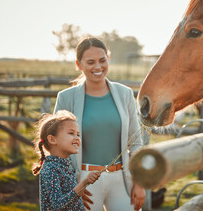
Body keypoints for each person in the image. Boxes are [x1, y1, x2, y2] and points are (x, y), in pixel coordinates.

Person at [53, 37, 145, 211]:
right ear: (79, 64)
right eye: (90, 62)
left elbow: (136, 142)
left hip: (122, 179)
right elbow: (57, 147)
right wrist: (72, 186)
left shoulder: (125, 94)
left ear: (108, 59)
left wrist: (139, 183)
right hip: (84, 181)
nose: (98, 67)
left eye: (102, 60)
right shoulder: (66, 98)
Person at [32, 110, 101, 211]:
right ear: (52, 139)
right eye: (71, 133)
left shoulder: (66, 166)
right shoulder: (50, 169)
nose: (77, 138)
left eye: (78, 134)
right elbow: (58, 206)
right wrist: (83, 183)